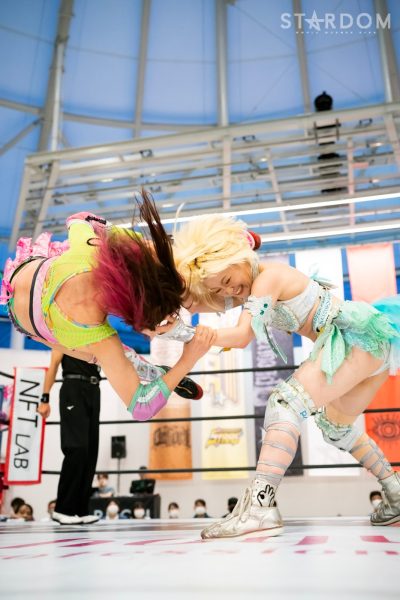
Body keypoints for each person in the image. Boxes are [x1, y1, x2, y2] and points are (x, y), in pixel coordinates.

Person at [172, 213, 400, 538]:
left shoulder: (268, 279)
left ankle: (260, 508)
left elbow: (242, 336)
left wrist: (187, 334)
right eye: (220, 287)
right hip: (370, 344)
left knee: (284, 403)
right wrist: (174, 314)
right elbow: (201, 304)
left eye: (228, 278)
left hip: (354, 340)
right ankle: (395, 492)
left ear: (238, 257)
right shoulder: (251, 287)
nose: (229, 289)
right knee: (335, 427)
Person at [0, 190, 214, 426]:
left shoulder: (89, 251)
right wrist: (187, 360)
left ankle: (155, 360)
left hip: (28, 286)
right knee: (100, 353)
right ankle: (159, 359)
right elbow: (141, 407)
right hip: (28, 318)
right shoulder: (102, 338)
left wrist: (137, 243)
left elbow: (80, 218)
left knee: (99, 353)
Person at [38, 350, 103, 525]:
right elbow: (53, 365)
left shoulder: (98, 337)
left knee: (90, 451)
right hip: (73, 388)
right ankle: (62, 509)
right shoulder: (63, 335)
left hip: (94, 390)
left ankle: (81, 510)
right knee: (76, 448)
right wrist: (44, 399)